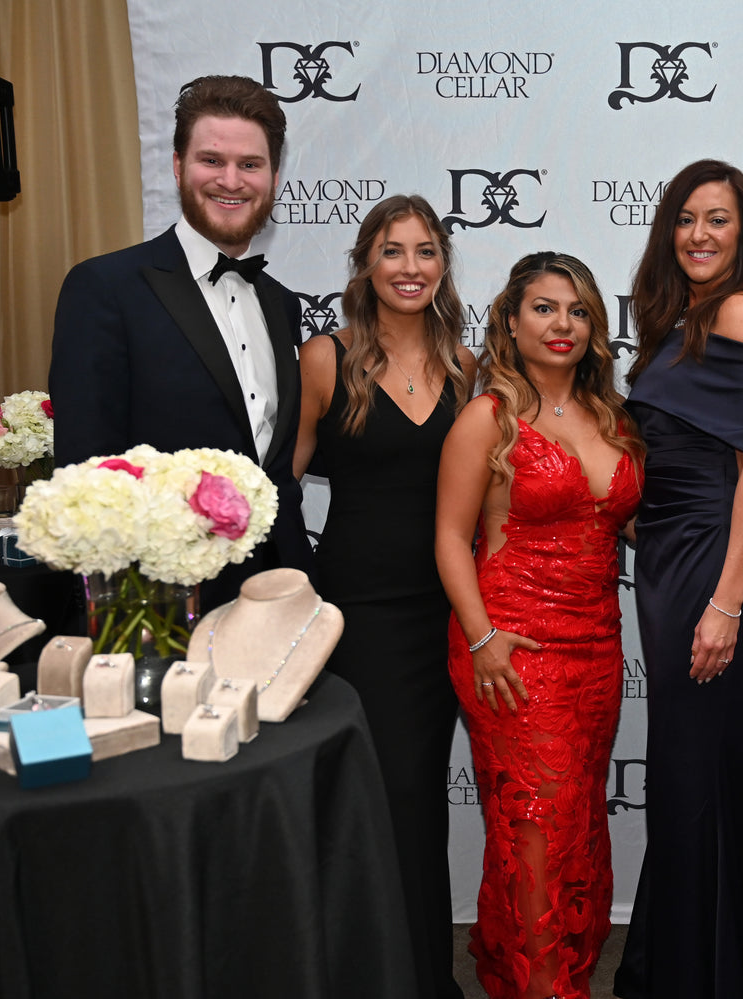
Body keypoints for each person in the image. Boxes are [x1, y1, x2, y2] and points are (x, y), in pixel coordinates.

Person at [437, 252, 642, 999]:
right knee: (536, 829)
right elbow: (449, 538)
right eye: (545, 308)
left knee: (577, 820)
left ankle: (540, 966)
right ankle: (544, 986)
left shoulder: (612, 418)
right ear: (511, 321)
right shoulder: (487, 418)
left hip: (597, 646)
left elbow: (630, 526)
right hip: (513, 647)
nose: (563, 324)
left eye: (579, 311)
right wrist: (484, 639)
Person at [293, 195, 475, 999]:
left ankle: (424, 973)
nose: (409, 266)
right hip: (359, 611)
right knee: (382, 792)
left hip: (444, 607)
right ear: (365, 263)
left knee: (422, 794)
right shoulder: (324, 358)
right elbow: (279, 485)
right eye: (392, 250)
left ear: (442, 265)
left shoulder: (465, 365)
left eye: (425, 251)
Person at [614, 159, 743, 999]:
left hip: (706, 561)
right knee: (687, 767)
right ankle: (678, 958)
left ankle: (701, 973)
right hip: (666, 558)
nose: (699, 234)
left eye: (718, 219)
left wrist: (728, 600)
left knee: (696, 769)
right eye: (685, 218)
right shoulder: (679, 318)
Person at [48, 74, 310, 608]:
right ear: (177, 166)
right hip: (162, 602)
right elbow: (88, 475)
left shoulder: (282, 304)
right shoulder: (106, 288)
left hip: (281, 593)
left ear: (274, 178)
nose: (231, 181)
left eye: (250, 164)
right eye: (212, 160)